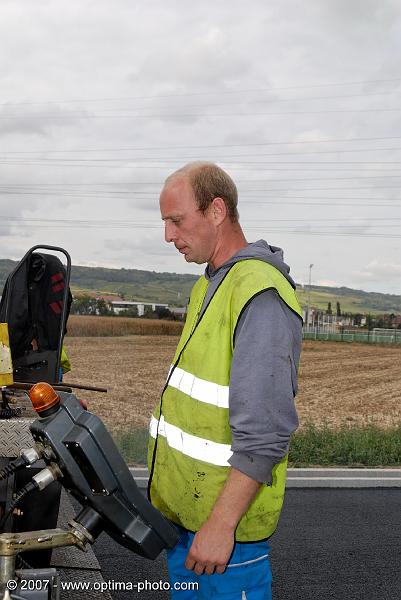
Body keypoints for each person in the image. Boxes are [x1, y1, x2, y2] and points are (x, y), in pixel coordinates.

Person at [147, 162, 303, 599]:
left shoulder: (258, 292)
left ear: (217, 210)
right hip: (188, 529)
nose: (168, 236)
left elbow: (267, 432)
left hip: (224, 540)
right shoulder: (210, 284)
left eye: (176, 220)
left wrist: (220, 526)